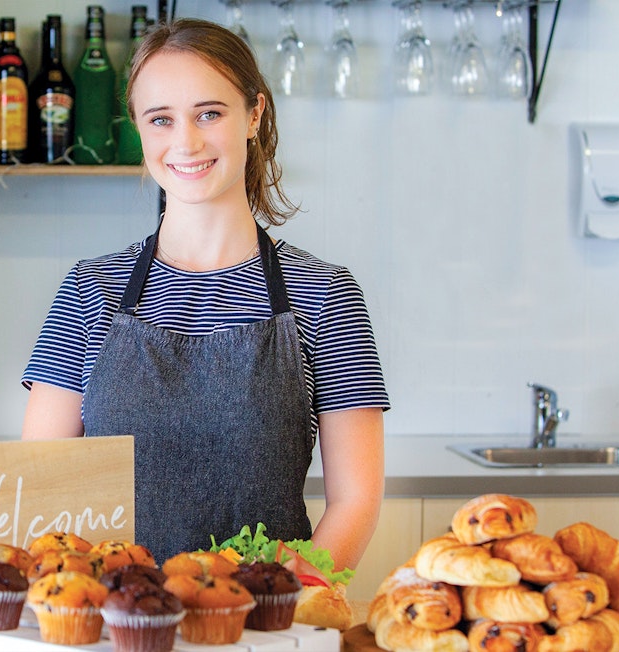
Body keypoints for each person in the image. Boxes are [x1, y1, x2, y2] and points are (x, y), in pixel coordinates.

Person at [21, 17, 388, 571]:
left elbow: (356, 501)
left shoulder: (326, 290)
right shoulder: (89, 289)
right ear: (140, 130)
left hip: (266, 623)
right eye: (161, 119)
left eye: (209, 113)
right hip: (118, 622)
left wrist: (280, 607)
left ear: (254, 114)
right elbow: (41, 491)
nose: (185, 142)